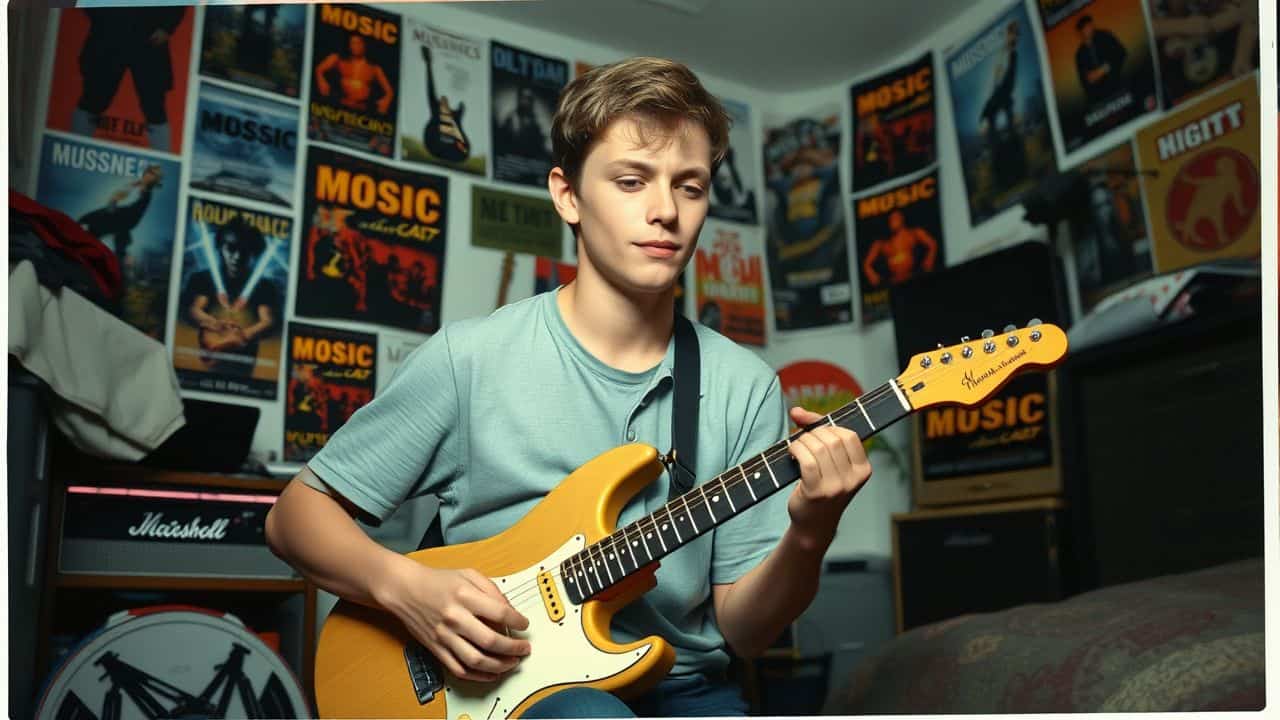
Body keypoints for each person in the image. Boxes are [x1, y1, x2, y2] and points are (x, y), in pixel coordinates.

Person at [265, 56, 873, 718]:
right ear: (568, 195)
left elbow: (748, 633)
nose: (665, 211)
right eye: (632, 180)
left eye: (690, 186)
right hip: (500, 689)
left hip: (682, 688)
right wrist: (407, 588)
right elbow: (294, 517)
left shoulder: (745, 386)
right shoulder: (470, 359)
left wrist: (813, 530)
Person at [70, 7, 186, 151]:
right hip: (108, 37)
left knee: (155, 108)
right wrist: (104, 20)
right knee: (93, 100)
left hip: (150, 38)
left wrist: (167, 27)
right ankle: (74, 149)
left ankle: (163, 164)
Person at [182, 216, 279, 376]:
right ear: (220, 247)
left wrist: (242, 336)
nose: (237, 257)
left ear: (253, 252)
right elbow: (194, 309)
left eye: (245, 250)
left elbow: (268, 321)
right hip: (206, 369)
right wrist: (215, 325)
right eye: (231, 248)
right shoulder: (203, 279)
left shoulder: (264, 286)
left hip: (244, 369)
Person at [78, 163, 165, 271]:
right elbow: (114, 200)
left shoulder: (146, 193)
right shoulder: (132, 186)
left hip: (123, 219)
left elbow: (131, 205)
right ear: (146, 172)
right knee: (88, 227)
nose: (150, 176)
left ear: (156, 180)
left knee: (99, 234)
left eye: (154, 175)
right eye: (150, 172)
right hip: (114, 216)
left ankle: (116, 261)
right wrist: (114, 202)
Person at [314, 34, 394, 116]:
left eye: (358, 43)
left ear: (364, 45)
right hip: (341, 107)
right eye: (353, 43)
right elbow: (319, 69)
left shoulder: (374, 69)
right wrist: (321, 79)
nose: (355, 46)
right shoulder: (340, 60)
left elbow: (390, 91)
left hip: (362, 111)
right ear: (349, 46)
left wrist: (386, 101)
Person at [862, 210, 939, 287]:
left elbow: (932, 244)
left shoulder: (914, 234)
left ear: (901, 219)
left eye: (895, 218)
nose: (892, 221)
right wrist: (872, 275)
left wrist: (929, 260)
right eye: (890, 219)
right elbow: (866, 264)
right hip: (894, 283)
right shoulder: (881, 244)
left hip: (914, 278)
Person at [1074, 15, 1128, 104]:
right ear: (1080, 32)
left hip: (1117, 85)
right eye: (1084, 28)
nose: (1088, 29)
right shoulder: (1080, 54)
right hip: (1098, 96)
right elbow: (1083, 80)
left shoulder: (1105, 36)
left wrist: (1102, 70)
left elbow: (1121, 52)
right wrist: (1089, 79)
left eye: (1089, 26)